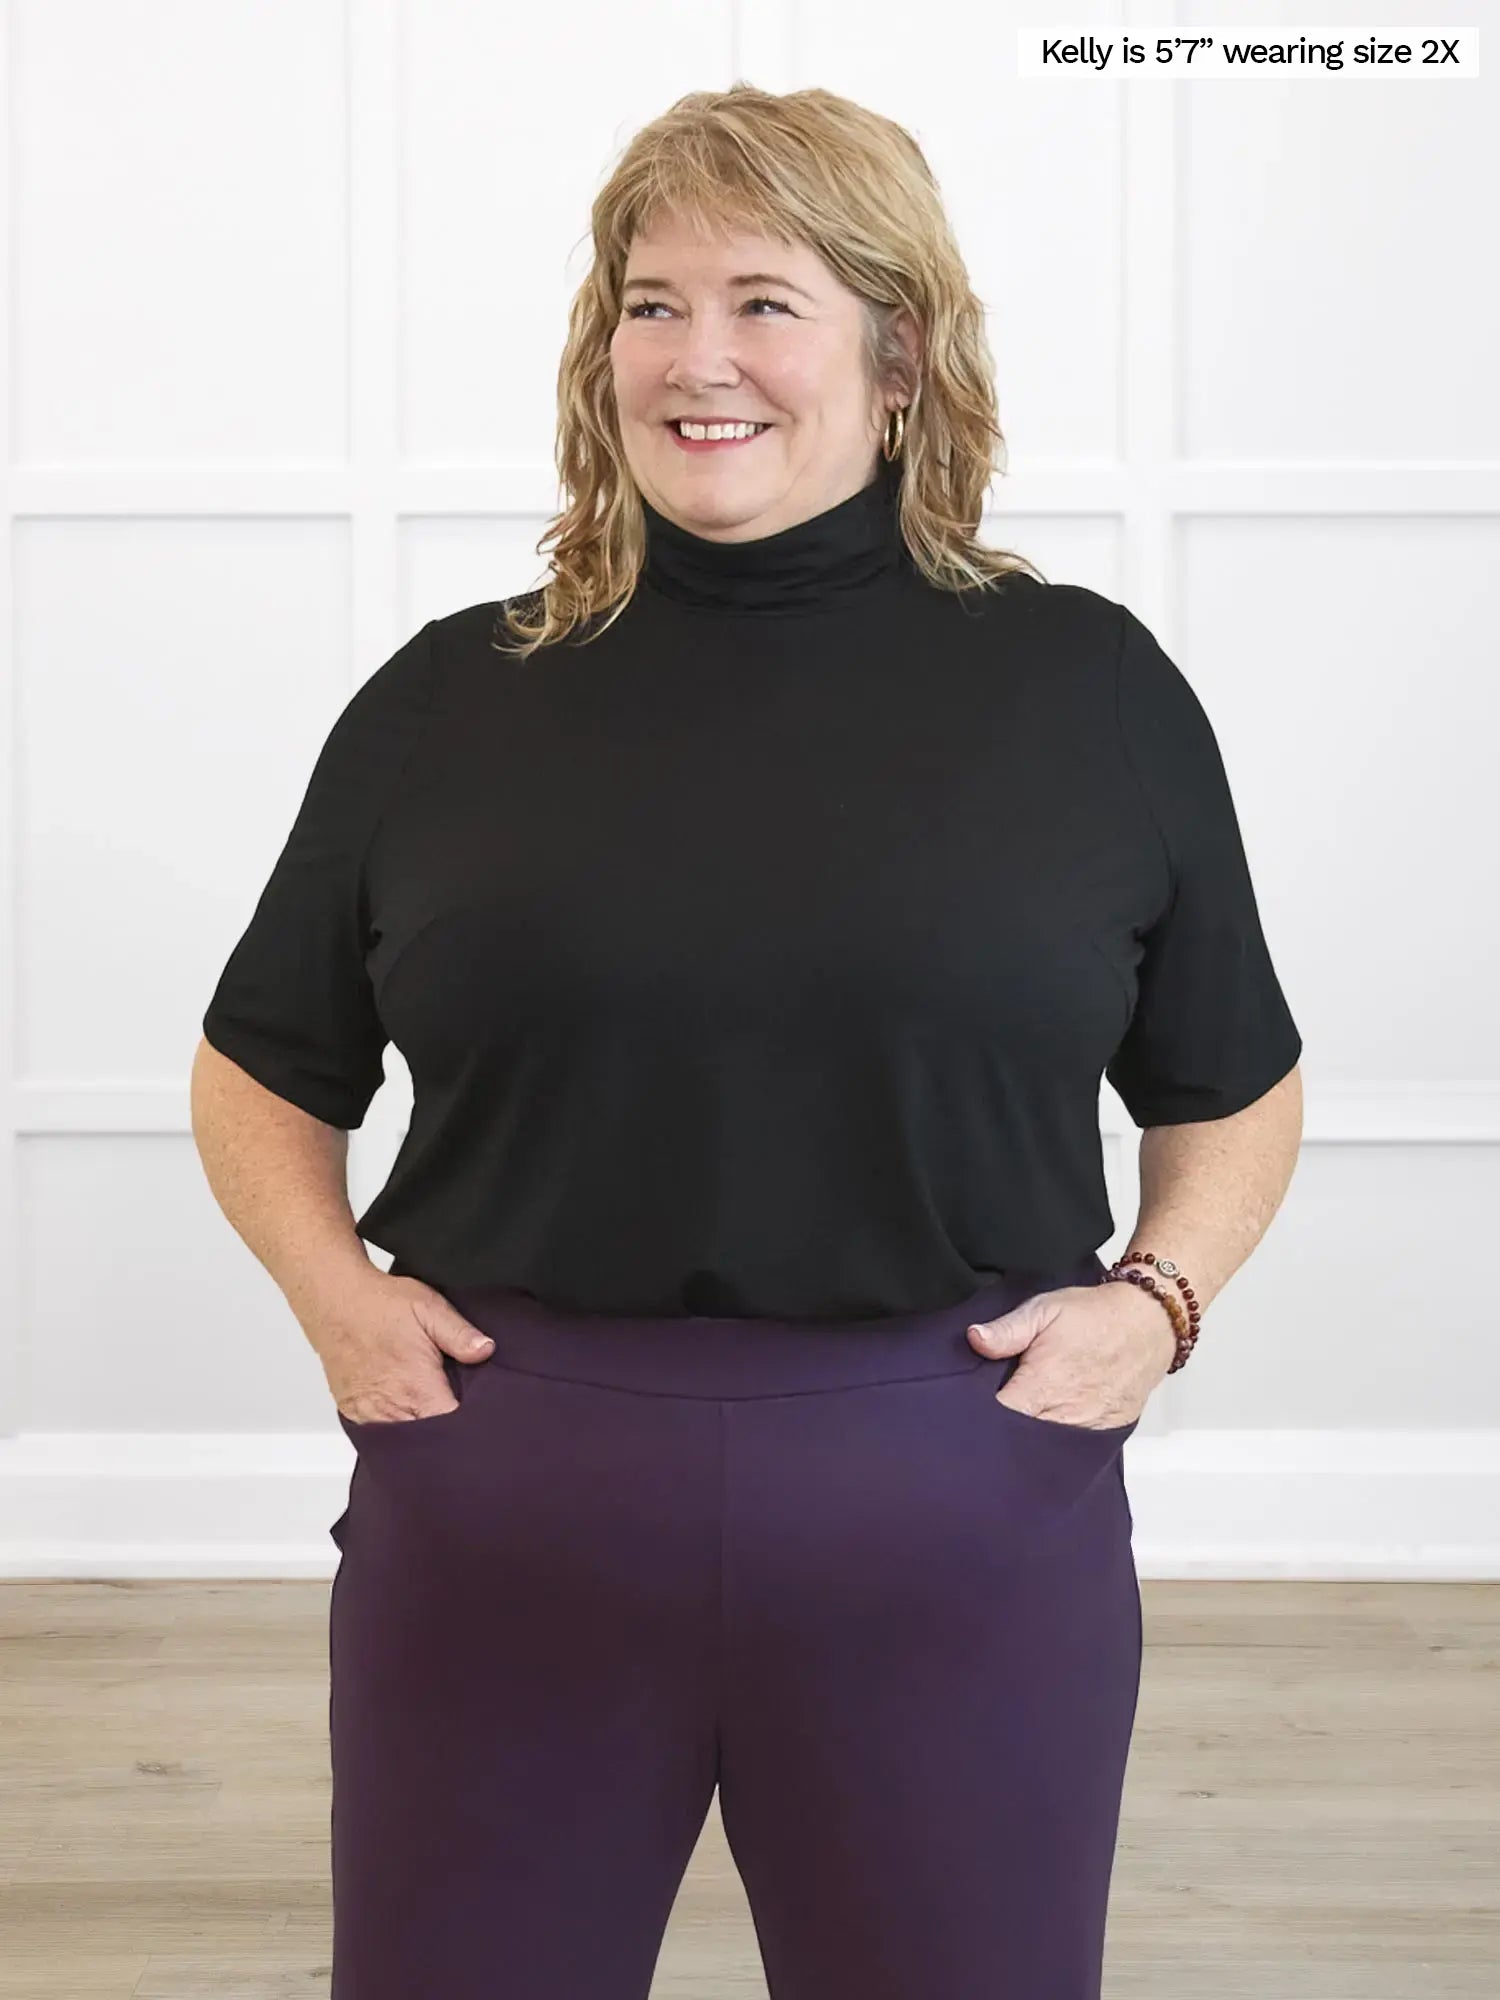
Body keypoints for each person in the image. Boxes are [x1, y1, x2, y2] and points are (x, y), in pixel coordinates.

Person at [192, 82, 1303, 2000]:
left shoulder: (1090, 690)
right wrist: (334, 1298)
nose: (697, 359)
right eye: (653, 303)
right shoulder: (452, 697)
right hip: (510, 1495)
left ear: (900, 354)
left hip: (955, 1492)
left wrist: (1160, 1304)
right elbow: (263, 1063)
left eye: (765, 302)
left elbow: (1235, 1080)